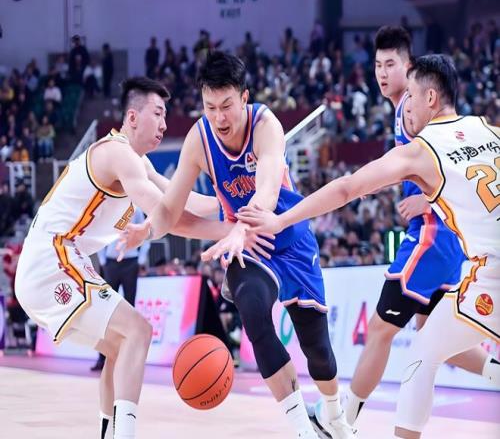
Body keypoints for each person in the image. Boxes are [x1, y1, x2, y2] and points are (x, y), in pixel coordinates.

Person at [234, 54, 500, 439]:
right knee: (432, 338)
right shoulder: (487, 128)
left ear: (429, 98)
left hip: (488, 273)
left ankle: (348, 418)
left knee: (422, 355)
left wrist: (279, 220)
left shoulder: (420, 150)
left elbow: (347, 188)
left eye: (411, 96)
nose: (406, 106)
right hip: (479, 270)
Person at [15, 76, 270, 439]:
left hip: (57, 260)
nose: (164, 124)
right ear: (132, 117)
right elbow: (166, 215)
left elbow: (183, 200)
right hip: (52, 258)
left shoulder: (139, 162)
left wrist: (233, 200)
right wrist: (229, 230)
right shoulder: (118, 153)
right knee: (138, 331)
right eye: (158, 113)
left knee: (121, 346)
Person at [120, 51, 355, 439]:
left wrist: (238, 229)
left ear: (245, 98)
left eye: (227, 105)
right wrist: (146, 230)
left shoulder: (266, 126)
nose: (219, 117)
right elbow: (172, 208)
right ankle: (302, 429)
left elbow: (266, 192)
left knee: (318, 350)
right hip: (250, 249)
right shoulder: (198, 140)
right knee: (253, 312)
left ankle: (333, 416)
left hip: (289, 237)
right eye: (210, 107)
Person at [338, 26, 491, 426]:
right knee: (432, 336)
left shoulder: (413, 108)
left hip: (431, 235)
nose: (382, 72)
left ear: (410, 69)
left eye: (391, 64)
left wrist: (428, 199)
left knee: (380, 329)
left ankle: (341, 420)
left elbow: (449, 161)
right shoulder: (401, 108)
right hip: (446, 238)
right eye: (377, 65)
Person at [91, 206, 150, 372]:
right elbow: (100, 234)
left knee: (130, 309)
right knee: (107, 310)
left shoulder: (136, 209)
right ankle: (103, 357)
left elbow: (145, 233)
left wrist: (141, 259)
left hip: (131, 261)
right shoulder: (109, 207)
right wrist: (103, 261)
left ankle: (128, 358)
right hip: (111, 262)